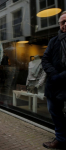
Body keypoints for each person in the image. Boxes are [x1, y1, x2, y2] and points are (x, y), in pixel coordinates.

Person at [42, 11, 66, 149]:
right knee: (55, 113)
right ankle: (61, 139)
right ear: (59, 24)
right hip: (54, 85)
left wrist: (61, 76)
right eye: (63, 22)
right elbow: (45, 59)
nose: (65, 24)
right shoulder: (54, 41)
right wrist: (54, 74)